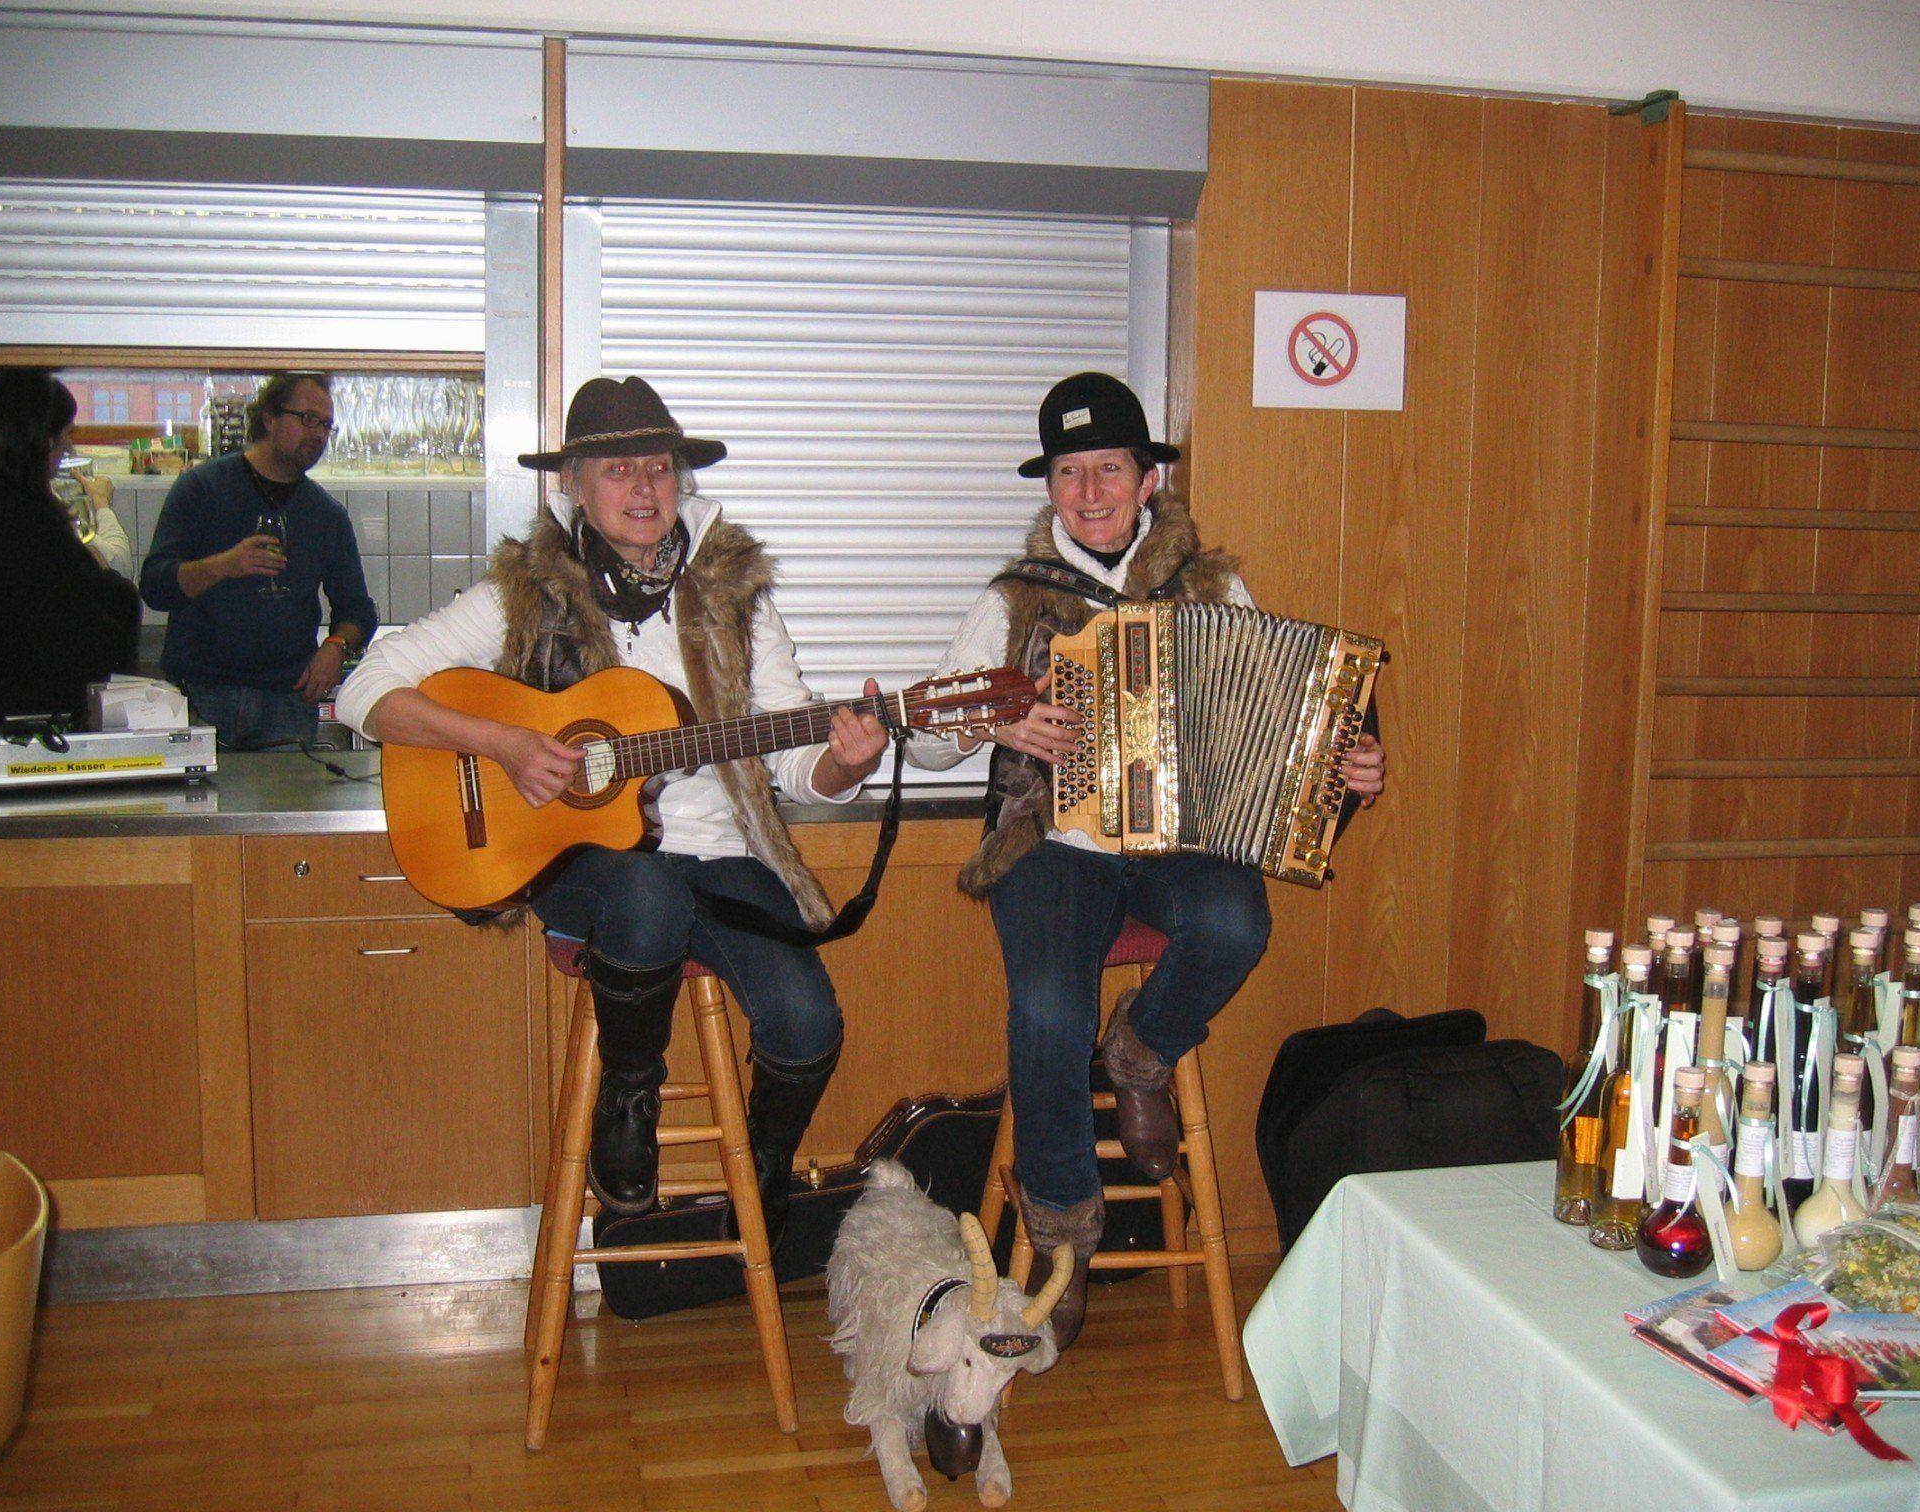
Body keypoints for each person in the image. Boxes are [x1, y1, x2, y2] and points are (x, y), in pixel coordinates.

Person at [335, 376, 888, 1243]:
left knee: (809, 1020)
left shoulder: (734, 599)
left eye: (659, 468)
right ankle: (628, 1100)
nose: (643, 488)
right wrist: (506, 745)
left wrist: (844, 764)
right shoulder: (525, 595)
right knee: (645, 894)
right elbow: (363, 691)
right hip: (584, 868)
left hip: (721, 858)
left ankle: (769, 1171)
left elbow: (792, 759)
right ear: (573, 488)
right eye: (617, 469)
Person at [909, 372, 1386, 1347]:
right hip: (1053, 844)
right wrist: (998, 715)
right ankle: (1061, 1237)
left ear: (1146, 478)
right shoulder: (1010, 600)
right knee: (1046, 1006)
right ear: (1049, 486)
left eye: (1108, 469)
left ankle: (1142, 1050)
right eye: (1069, 472)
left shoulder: (1213, 586)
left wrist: (1346, 764)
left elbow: (1282, 715)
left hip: (1181, 839)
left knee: (1235, 922)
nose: (1089, 491)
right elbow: (923, 741)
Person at [139, 372, 376, 749]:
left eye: (326, 425)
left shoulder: (324, 513)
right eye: (307, 418)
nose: (318, 434)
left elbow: (358, 611)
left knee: (286, 807)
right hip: (201, 698)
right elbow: (155, 586)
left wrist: (336, 648)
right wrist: (224, 566)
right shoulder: (202, 488)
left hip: (287, 703)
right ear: (268, 418)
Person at [0, 369, 139, 721]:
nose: (68, 447)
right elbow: (82, 638)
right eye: (65, 434)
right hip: (31, 727)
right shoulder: (31, 525)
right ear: (43, 439)